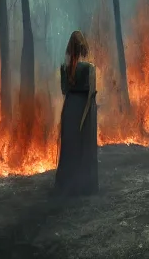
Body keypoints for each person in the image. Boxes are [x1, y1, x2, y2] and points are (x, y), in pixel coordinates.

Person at [54, 30, 99, 196]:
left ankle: (65, 186)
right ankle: (86, 187)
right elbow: (91, 93)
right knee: (84, 147)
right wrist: (86, 116)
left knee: (69, 147)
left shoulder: (64, 68)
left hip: (69, 108)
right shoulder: (90, 68)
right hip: (84, 110)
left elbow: (64, 90)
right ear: (82, 48)